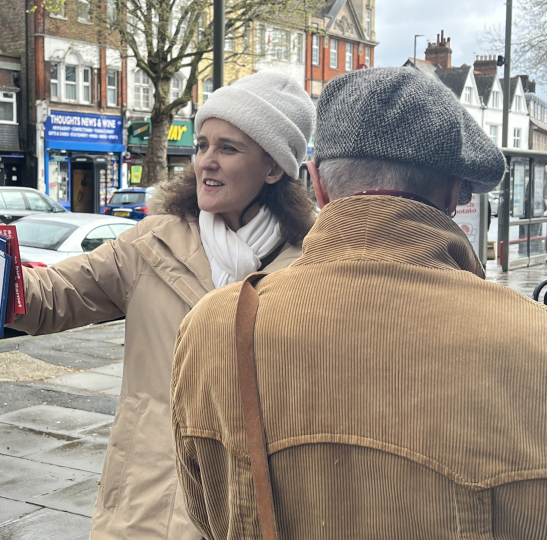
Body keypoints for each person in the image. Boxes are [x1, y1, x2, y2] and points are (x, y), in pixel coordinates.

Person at [172, 66, 547, 540]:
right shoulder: (537, 342)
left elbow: (204, 510)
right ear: (454, 193)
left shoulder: (215, 324)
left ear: (318, 185)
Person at [0, 72, 316, 539]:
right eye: (202, 145)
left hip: (260, 507)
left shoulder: (311, 267)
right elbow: (51, 297)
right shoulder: (152, 242)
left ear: (273, 168)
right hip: (150, 499)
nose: (206, 162)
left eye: (229, 148)